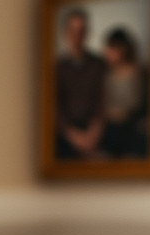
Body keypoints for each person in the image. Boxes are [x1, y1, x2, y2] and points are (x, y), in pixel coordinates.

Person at [54, 7, 106, 160]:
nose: (78, 35)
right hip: (65, 135)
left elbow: (102, 100)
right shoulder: (57, 68)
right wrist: (72, 135)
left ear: (87, 32)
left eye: (81, 30)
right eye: (73, 30)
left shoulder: (98, 65)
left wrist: (94, 132)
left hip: (95, 133)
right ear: (66, 33)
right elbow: (54, 106)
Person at [99, 27, 149, 158]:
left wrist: (124, 113)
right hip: (110, 128)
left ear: (122, 49)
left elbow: (138, 102)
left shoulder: (138, 72)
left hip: (131, 127)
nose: (107, 52)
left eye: (112, 48)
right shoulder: (106, 75)